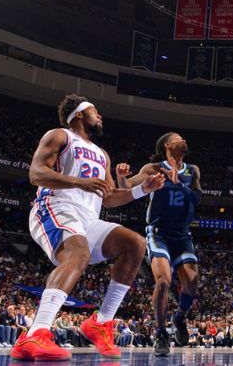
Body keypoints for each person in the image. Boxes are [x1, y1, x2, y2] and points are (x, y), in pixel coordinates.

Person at [12, 94, 165, 361]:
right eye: (95, 110)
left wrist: (142, 189)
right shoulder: (59, 135)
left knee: (135, 244)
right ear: (80, 114)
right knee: (78, 255)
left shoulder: (101, 154)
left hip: (88, 218)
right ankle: (36, 333)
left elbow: (109, 197)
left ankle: (101, 322)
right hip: (56, 206)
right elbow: (36, 174)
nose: (100, 115)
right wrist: (79, 183)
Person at [120, 132, 202, 356]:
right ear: (167, 144)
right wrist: (121, 176)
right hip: (159, 233)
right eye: (178, 137)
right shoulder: (153, 168)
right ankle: (161, 332)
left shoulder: (192, 170)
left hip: (183, 234)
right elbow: (127, 187)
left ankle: (180, 317)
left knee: (192, 286)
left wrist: (178, 183)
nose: (184, 139)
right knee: (164, 281)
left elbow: (196, 199)